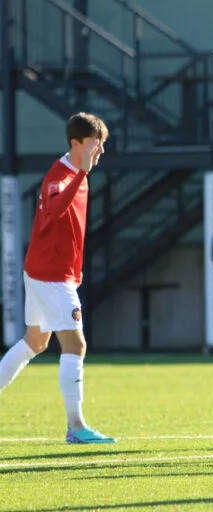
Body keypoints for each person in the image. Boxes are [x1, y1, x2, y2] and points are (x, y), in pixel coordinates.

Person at [0, 113, 115, 444]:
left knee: (35, 342)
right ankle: (76, 427)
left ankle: (76, 427)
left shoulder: (74, 172)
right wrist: (82, 174)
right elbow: (55, 208)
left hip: (47, 270)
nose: (100, 152)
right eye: (96, 145)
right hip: (51, 274)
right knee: (75, 345)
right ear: (76, 143)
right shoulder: (61, 176)